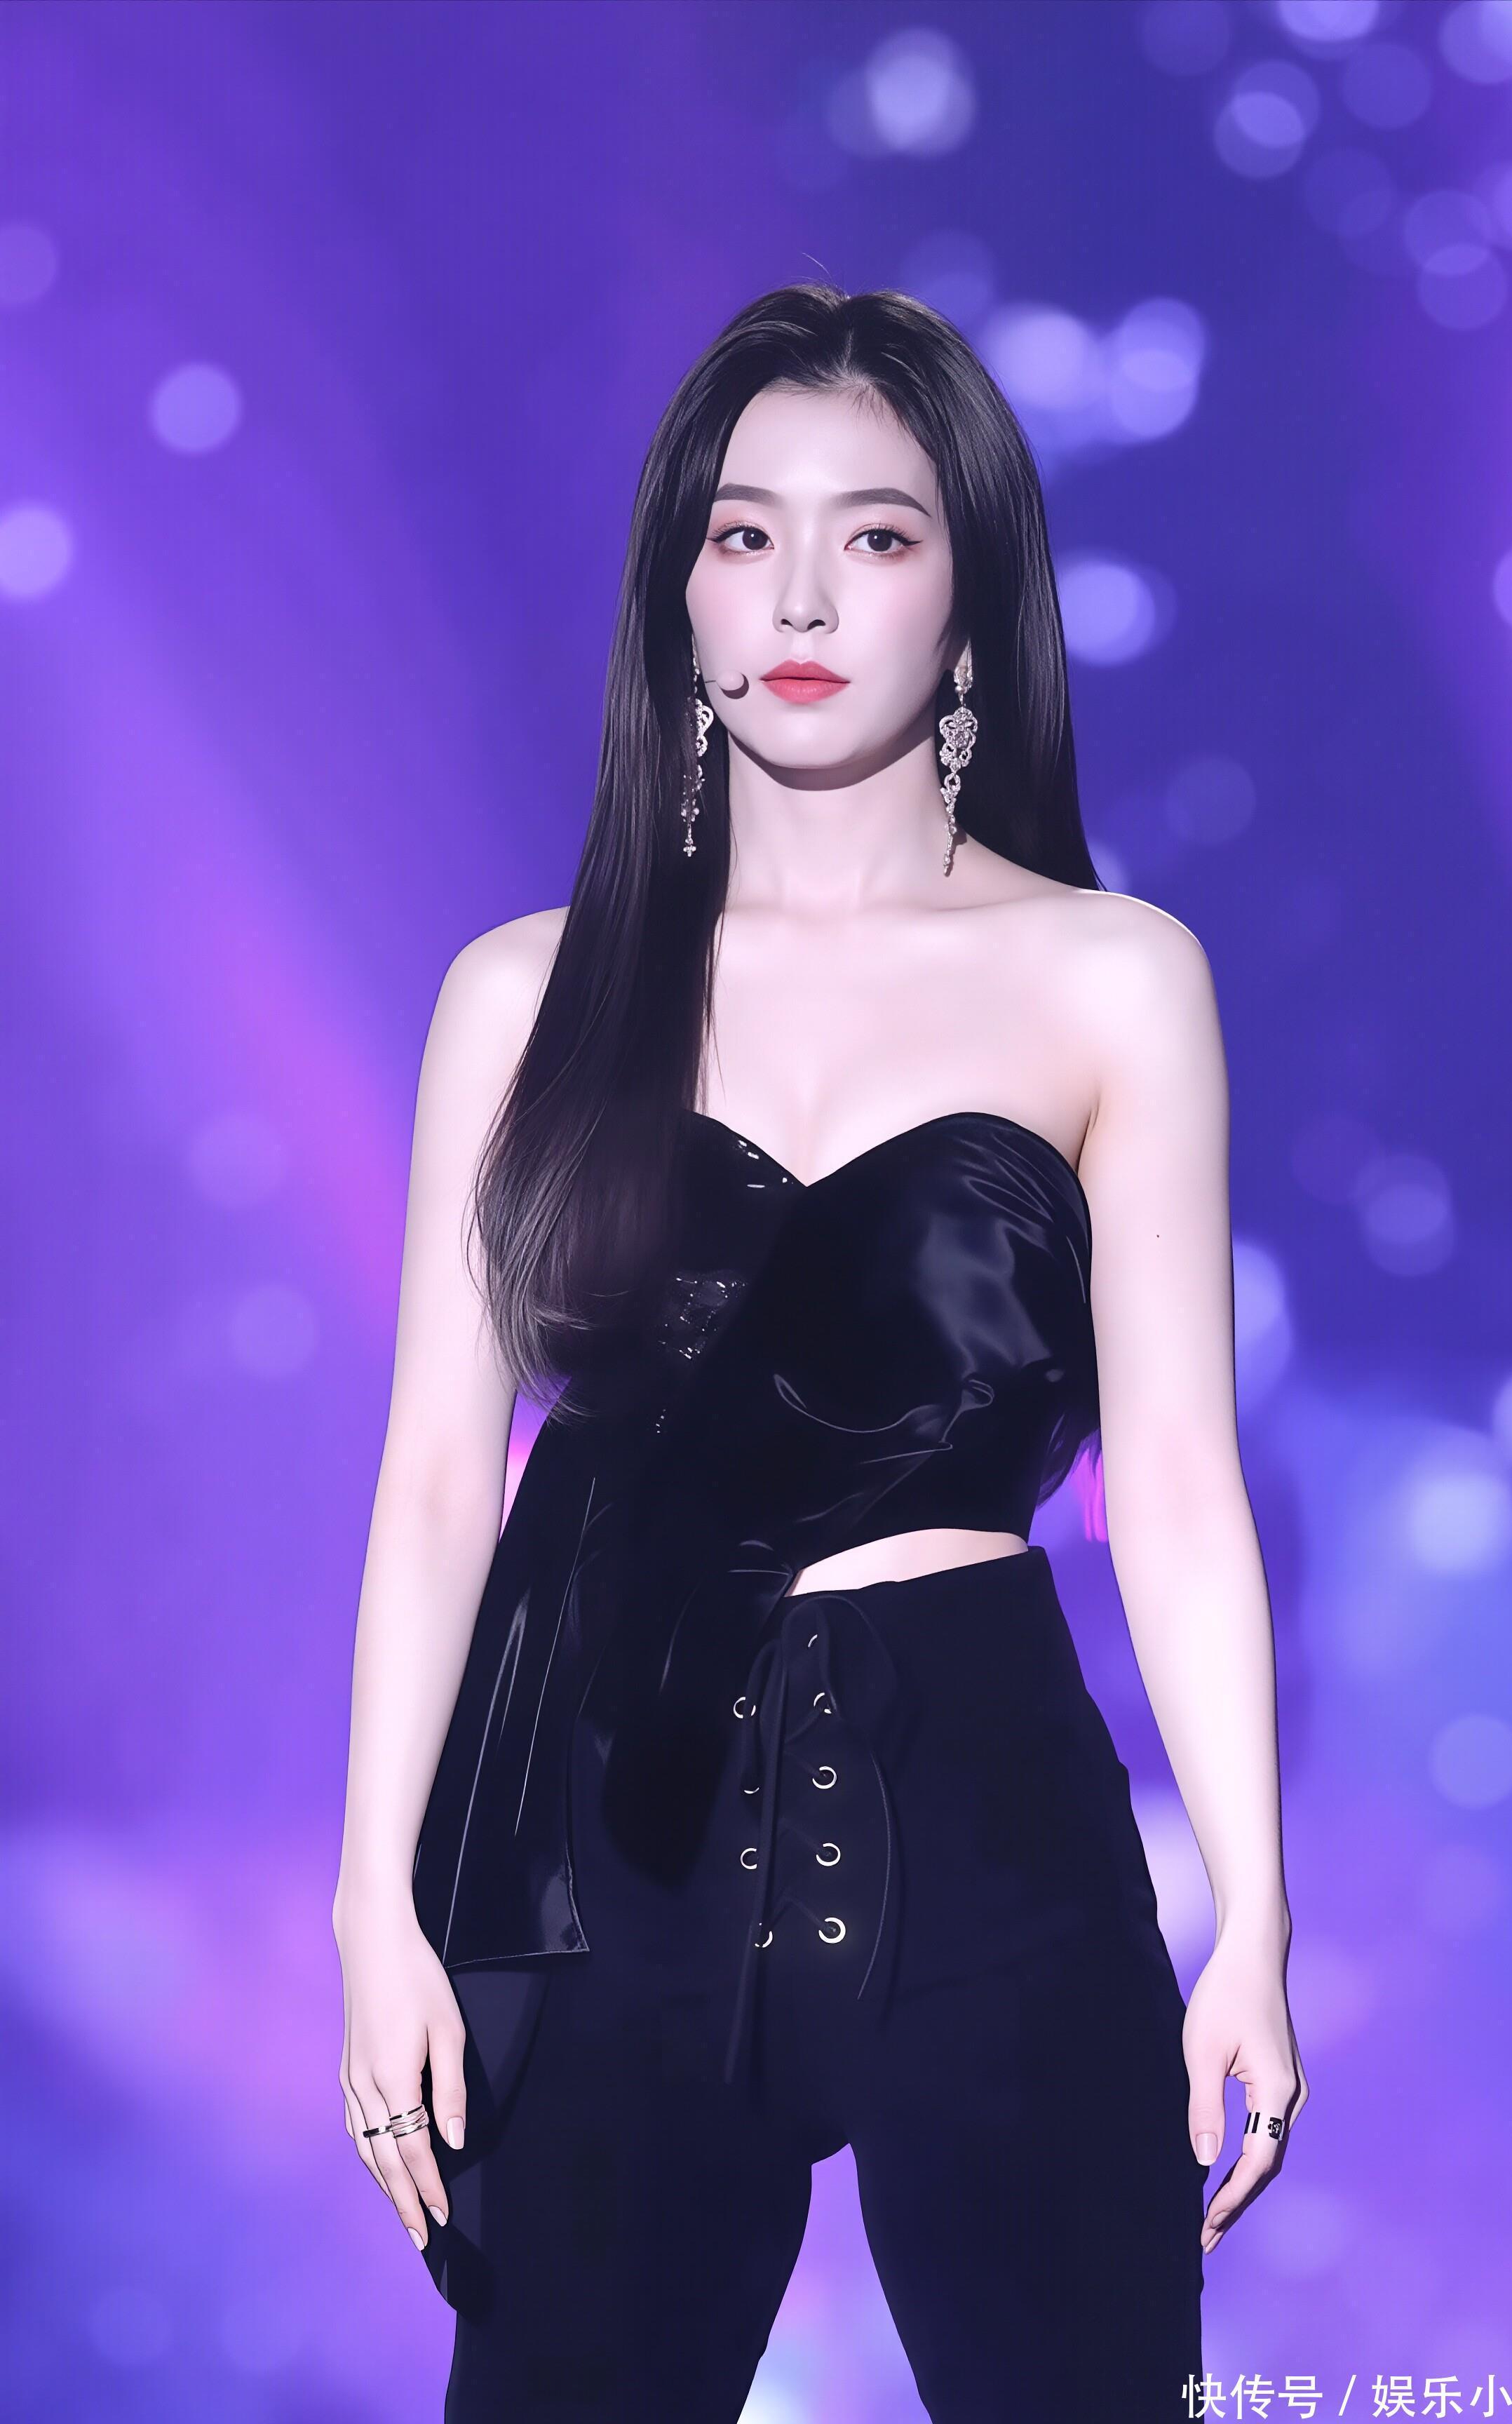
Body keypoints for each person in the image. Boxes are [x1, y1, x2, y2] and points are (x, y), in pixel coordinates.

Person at [332, 283, 1307, 2421]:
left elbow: (1173, 1484)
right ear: (676, 588)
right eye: (742, 533)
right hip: (606, 1831)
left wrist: (1254, 1913)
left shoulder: (1113, 977)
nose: (798, 596)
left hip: (987, 1809)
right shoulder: (521, 997)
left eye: (873, 535)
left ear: (968, 598)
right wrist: (369, 1906)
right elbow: (437, 1481)